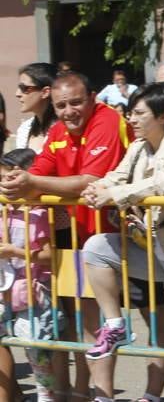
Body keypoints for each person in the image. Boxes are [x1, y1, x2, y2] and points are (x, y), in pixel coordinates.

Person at [0, 71, 134, 400]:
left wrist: (31, 184)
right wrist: (16, 182)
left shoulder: (107, 119)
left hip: (120, 239)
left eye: (76, 102)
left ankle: (103, 394)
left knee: (157, 328)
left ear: (92, 98)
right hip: (77, 238)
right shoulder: (58, 129)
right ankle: (85, 393)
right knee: (86, 322)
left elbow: (90, 179)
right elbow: (38, 172)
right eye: (61, 105)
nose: (69, 111)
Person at [80, 83, 164, 402]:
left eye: (139, 113)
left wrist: (116, 194)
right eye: (130, 112)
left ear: (162, 115)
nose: (132, 119)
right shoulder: (139, 147)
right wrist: (96, 189)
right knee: (97, 247)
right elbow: (117, 176)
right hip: (152, 251)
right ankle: (115, 324)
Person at [0, 149, 66, 402]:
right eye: (2, 179)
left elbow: (50, 256)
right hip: (7, 289)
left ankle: (45, 395)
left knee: (36, 353)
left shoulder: (38, 214)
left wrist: (14, 251)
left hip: (33, 294)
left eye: (11, 179)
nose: (6, 185)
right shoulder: (4, 210)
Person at [14, 62, 59, 154]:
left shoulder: (64, 129)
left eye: (24, 88)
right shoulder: (25, 129)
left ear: (45, 92)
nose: (17, 94)